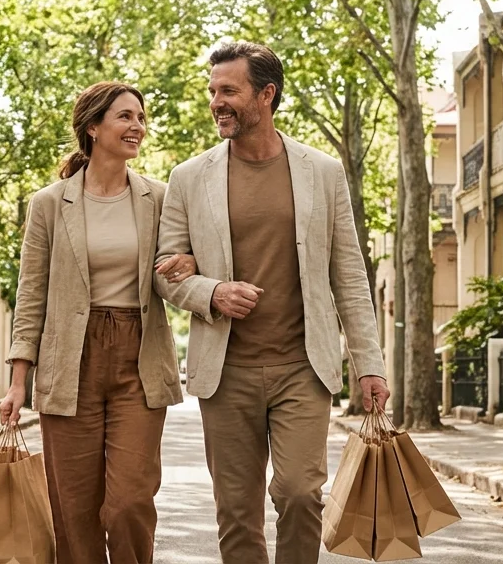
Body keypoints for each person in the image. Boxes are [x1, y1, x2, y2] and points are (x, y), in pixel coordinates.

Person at [154, 42, 389, 564]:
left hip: (303, 368)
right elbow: (164, 274)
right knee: (236, 512)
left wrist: (369, 364)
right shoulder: (189, 178)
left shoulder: (322, 172)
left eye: (229, 91)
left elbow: (348, 273)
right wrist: (212, 292)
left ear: (266, 94)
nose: (217, 101)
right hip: (225, 370)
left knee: (301, 494)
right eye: (212, 91)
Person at [0, 81, 196, 564]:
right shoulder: (49, 203)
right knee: (74, 509)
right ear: (93, 127)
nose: (137, 127)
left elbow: (177, 267)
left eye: (140, 118)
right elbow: (32, 294)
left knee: (130, 502)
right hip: (70, 360)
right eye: (125, 117)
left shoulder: (160, 198)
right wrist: (17, 380)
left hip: (140, 357)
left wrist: (189, 262)